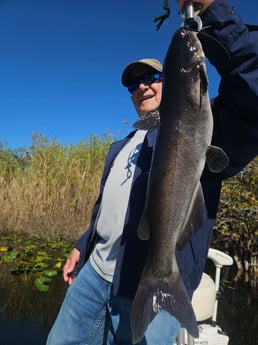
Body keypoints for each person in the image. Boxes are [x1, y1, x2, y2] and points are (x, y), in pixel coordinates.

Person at [47, 0, 258, 344]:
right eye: (134, 84)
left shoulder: (201, 127)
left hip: (149, 285)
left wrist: (211, 11)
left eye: (152, 78)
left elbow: (253, 93)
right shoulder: (120, 147)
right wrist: (81, 245)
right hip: (92, 278)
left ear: (172, 81)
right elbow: (105, 209)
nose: (142, 87)